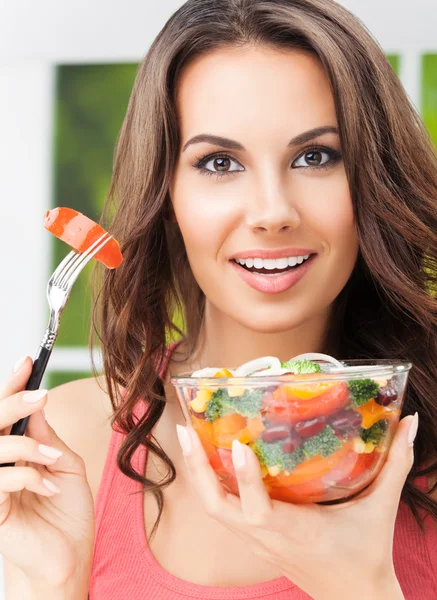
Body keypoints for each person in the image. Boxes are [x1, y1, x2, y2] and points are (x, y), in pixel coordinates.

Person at [2, 0, 437, 598]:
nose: (272, 213)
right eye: (220, 162)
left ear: (372, 176)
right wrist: (52, 579)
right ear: (168, 194)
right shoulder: (67, 443)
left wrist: (358, 584)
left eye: (315, 156)